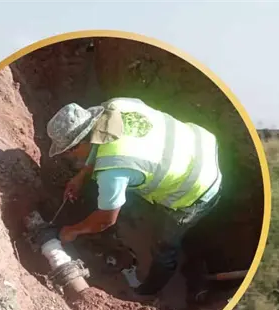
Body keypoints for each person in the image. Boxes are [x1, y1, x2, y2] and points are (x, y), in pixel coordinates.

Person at [45, 98, 223, 298]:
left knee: (165, 247)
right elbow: (104, 144)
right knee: (124, 186)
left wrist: (72, 231)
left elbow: (106, 220)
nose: (70, 157)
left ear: (76, 146)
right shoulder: (116, 105)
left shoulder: (112, 170)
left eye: (68, 152)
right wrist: (82, 175)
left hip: (198, 186)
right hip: (199, 144)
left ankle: (149, 291)